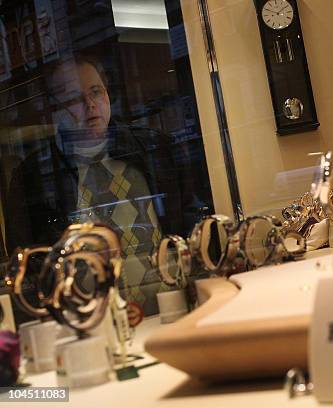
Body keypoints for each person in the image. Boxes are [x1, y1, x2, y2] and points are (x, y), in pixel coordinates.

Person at [6, 54, 196, 315]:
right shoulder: (34, 177)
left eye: (96, 91)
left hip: (172, 309)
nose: (90, 104)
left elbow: (191, 224)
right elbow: (28, 264)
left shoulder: (156, 150)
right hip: (89, 324)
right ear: (53, 109)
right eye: (74, 99)